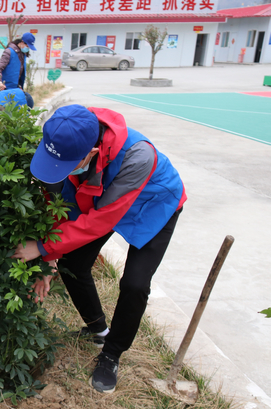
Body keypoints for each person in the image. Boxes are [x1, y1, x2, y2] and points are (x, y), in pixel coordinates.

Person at [13, 104, 186, 394]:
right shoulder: (66, 134)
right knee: (73, 263)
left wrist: (42, 247)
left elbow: (100, 221)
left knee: (134, 284)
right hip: (103, 198)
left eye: (67, 166)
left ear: (91, 154)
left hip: (154, 202)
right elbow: (62, 206)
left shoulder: (138, 156)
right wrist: (51, 259)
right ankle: (99, 331)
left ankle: (112, 353)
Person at [0, 32, 37, 108]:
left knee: (29, 103)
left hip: (16, 90)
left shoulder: (22, 54)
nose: (27, 49)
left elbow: (19, 73)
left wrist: (19, 86)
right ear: (22, 42)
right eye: (27, 46)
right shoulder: (9, 52)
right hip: (6, 90)